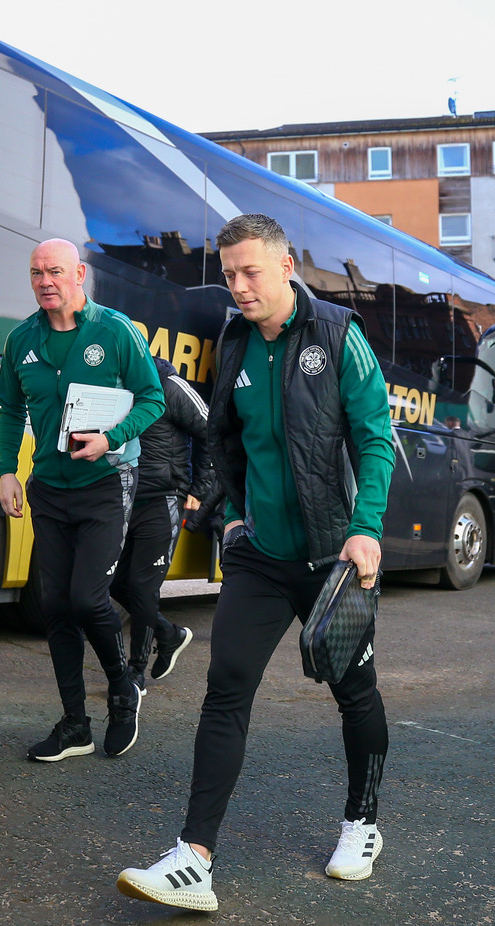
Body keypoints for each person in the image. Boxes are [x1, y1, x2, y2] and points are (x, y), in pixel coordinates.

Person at [116, 214, 396, 911]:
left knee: (353, 692)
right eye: (230, 273)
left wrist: (365, 531)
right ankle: (194, 859)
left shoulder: (337, 335)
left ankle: (361, 824)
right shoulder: (235, 340)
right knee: (226, 688)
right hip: (261, 558)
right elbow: (222, 439)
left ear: (286, 266)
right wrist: (232, 516)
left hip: (334, 559)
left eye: (251, 273)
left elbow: (375, 439)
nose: (238, 288)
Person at [0, 239, 164, 760]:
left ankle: (121, 689)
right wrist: (6, 470)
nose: (45, 281)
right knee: (56, 607)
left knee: (89, 598)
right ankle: (75, 725)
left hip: (106, 483)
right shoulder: (21, 338)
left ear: (79, 275)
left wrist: (110, 439)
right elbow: (9, 409)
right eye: (35, 273)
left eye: (55, 272)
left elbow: (153, 399)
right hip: (48, 488)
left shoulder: (115, 332)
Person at [110, 355, 214, 695]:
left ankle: (136, 672)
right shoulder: (113, 387)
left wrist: (199, 489)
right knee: (112, 583)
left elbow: (212, 433)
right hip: (122, 498)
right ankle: (169, 635)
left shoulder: (169, 386)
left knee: (142, 588)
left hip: (163, 499)